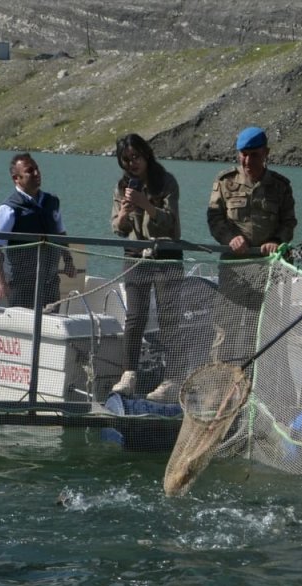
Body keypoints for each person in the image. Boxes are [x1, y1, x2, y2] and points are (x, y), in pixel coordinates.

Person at [207, 126, 297, 360]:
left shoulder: (280, 186)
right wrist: (229, 238)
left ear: (266, 152)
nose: (248, 160)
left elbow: (289, 222)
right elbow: (214, 218)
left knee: (258, 329)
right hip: (233, 268)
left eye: (254, 154)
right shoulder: (225, 182)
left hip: (268, 268)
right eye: (243, 154)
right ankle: (220, 383)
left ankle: (250, 385)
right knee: (226, 327)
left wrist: (276, 240)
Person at [107, 133, 184, 401]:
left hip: (166, 254)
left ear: (146, 155)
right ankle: (129, 375)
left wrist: (146, 205)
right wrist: (125, 212)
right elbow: (118, 228)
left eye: (135, 157)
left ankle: (172, 379)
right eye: (126, 160)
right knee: (135, 317)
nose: (131, 164)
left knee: (169, 317)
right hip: (135, 254)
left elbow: (171, 224)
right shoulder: (122, 187)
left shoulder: (167, 181)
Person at [0, 153, 76, 310]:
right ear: (17, 178)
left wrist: (68, 260)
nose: (37, 173)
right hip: (22, 284)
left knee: (51, 322)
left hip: (49, 281)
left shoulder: (52, 202)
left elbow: (61, 234)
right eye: (30, 171)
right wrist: (0, 281)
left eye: (37, 169)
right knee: (24, 326)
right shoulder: (8, 209)